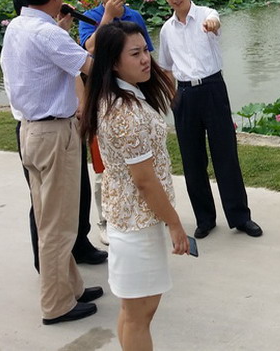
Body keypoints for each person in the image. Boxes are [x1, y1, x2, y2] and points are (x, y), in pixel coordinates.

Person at [0, 0, 102, 325]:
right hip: (54, 134)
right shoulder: (48, 35)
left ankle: (71, 287)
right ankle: (56, 305)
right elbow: (92, 67)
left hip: (29, 132)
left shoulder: (17, 27)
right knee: (60, 225)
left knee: (49, 220)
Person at [81, 21, 190, 350]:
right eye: (135, 53)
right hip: (136, 224)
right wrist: (175, 224)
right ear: (114, 62)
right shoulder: (125, 113)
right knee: (139, 314)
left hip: (133, 219)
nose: (145, 59)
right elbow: (144, 181)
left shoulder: (123, 95)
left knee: (133, 312)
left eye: (145, 50)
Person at [158, 0, 262, 239]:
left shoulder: (206, 14)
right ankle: (205, 219)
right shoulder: (167, 30)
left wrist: (213, 25)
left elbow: (215, 21)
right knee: (192, 160)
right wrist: (171, 98)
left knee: (225, 154)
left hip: (212, 88)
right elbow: (166, 67)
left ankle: (240, 217)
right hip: (184, 95)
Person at [79, 0, 155, 246]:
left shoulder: (135, 16)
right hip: (104, 99)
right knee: (105, 163)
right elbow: (90, 48)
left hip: (135, 96)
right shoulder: (90, 18)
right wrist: (108, 16)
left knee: (142, 157)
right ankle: (105, 220)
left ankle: (147, 208)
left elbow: (147, 54)